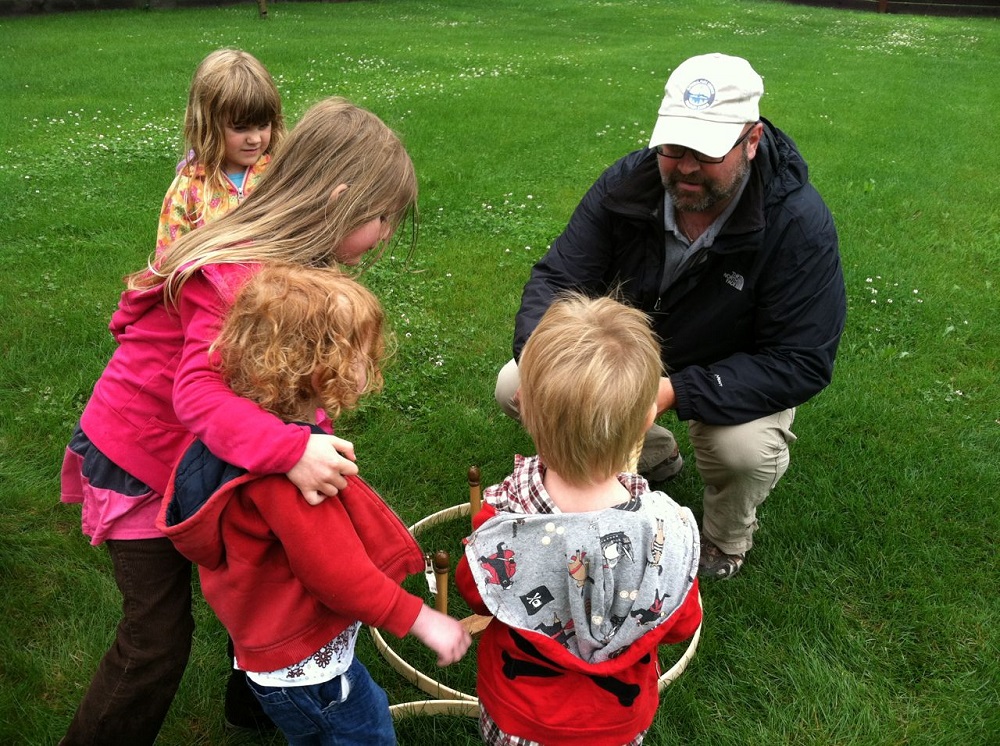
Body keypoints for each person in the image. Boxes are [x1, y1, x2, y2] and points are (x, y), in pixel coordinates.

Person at [59, 96, 417, 745]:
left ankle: (254, 706)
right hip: (140, 460)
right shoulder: (238, 269)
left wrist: (306, 431)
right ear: (337, 198)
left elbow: (278, 375)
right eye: (382, 216)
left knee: (262, 570)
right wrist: (288, 451)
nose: (387, 233)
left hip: (205, 453)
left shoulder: (299, 262)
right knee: (153, 646)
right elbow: (195, 394)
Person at [495, 53, 847, 580]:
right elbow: (558, 278)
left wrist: (671, 391)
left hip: (730, 362)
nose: (684, 166)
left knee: (741, 449)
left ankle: (724, 540)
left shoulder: (797, 223)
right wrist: (546, 361)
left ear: (751, 141)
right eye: (673, 147)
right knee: (516, 383)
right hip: (631, 352)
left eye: (704, 152)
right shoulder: (627, 183)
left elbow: (800, 361)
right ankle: (653, 458)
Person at [157, 264, 472, 744]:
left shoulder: (242, 440)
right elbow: (337, 575)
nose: (371, 363)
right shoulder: (293, 479)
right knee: (366, 734)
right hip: (311, 675)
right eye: (363, 353)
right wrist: (421, 619)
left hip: (273, 649)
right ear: (323, 371)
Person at [457, 293, 703, 746]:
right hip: (618, 722)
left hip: (518, 717)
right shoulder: (666, 531)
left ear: (524, 406)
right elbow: (682, 622)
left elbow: (477, 592)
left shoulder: (504, 516)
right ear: (649, 418)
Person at [156, 48, 285, 256]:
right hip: (211, 286)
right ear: (208, 126)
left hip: (273, 285)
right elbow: (169, 257)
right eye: (240, 128)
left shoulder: (278, 175)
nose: (255, 139)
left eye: (263, 125)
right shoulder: (188, 188)